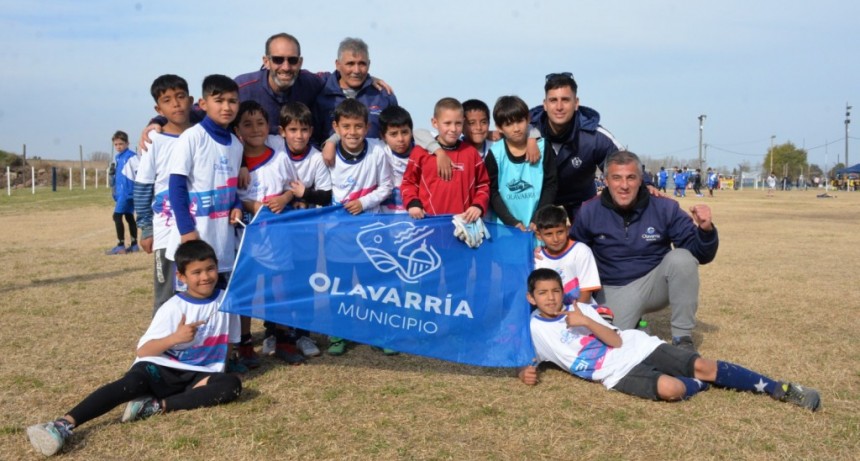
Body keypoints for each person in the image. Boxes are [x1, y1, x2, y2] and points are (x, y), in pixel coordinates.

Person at [26, 240, 244, 457]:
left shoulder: (227, 301)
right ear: (181, 277)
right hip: (161, 369)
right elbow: (143, 351)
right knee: (129, 384)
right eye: (196, 272)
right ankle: (63, 425)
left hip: (199, 375)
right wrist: (175, 338)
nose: (205, 277)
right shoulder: (173, 307)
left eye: (210, 269)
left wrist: (221, 369)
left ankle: (154, 406)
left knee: (231, 385)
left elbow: (230, 341)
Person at [518, 268, 821, 411]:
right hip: (614, 373)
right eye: (543, 293)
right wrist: (526, 372)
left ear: (562, 291)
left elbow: (617, 341)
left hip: (638, 346)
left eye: (555, 290)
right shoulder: (533, 329)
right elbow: (528, 358)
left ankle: (779, 388)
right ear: (532, 297)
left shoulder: (580, 308)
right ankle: (701, 384)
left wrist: (585, 320)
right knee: (672, 389)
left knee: (703, 365)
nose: (551, 298)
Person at [571, 151, 718, 351]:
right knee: (610, 343)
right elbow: (574, 255)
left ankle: (682, 339)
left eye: (631, 177)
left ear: (641, 179)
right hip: (613, 288)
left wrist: (706, 230)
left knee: (681, 258)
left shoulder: (665, 207)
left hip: (654, 284)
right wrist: (544, 251)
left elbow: (700, 255)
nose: (624, 185)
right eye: (616, 178)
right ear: (605, 180)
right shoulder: (589, 211)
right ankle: (635, 324)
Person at [165, 75, 245, 371]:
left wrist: (236, 206)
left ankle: (224, 355)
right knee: (192, 301)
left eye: (232, 101)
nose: (226, 107)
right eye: (219, 100)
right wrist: (187, 231)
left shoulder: (236, 144)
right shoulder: (192, 137)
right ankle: (186, 358)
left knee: (222, 301)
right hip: (195, 238)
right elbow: (176, 187)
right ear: (203, 104)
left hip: (223, 241)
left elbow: (233, 189)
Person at [232, 100, 308, 366]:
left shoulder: (279, 158)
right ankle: (244, 344)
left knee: (280, 288)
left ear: (269, 127)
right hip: (246, 239)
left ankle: (284, 338)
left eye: (260, 123)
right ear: (238, 129)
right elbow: (230, 196)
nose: (255, 129)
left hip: (279, 238)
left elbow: (293, 187)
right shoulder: (233, 161)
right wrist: (252, 205)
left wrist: (286, 198)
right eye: (247, 124)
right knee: (247, 290)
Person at [325, 98, 394, 356]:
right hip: (338, 235)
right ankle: (338, 334)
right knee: (339, 286)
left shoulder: (377, 150)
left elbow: (386, 187)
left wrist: (363, 203)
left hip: (371, 232)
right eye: (346, 126)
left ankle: (378, 332)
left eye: (358, 126)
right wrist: (329, 143)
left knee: (374, 285)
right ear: (336, 127)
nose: (352, 132)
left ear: (367, 128)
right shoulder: (329, 155)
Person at [528, 73, 627, 221]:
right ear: (545, 104)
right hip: (538, 199)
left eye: (565, 100)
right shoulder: (525, 131)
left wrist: (647, 184)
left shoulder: (594, 136)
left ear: (576, 103)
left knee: (595, 235)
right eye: (553, 100)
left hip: (580, 197)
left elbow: (625, 163)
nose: (559, 107)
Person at [134, 74, 194, 314]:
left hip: (195, 227)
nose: (176, 104)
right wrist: (146, 228)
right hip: (164, 230)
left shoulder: (201, 135)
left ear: (190, 100)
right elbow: (143, 186)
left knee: (196, 286)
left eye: (180, 97)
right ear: (158, 108)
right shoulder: (154, 140)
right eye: (168, 100)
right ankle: (162, 343)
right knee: (166, 290)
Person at [401, 97, 490, 222]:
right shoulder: (421, 152)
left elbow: (483, 185)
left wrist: (478, 205)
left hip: (463, 226)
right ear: (435, 123)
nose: (453, 129)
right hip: (428, 224)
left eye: (458, 123)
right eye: (447, 123)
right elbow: (409, 183)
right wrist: (413, 203)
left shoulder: (471, 153)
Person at [485, 95, 557, 231]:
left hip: (539, 226)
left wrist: (538, 217)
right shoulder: (495, 153)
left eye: (520, 121)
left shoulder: (542, 147)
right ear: (499, 127)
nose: (516, 128)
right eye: (508, 124)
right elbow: (492, 192)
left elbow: (550, 185)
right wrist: (512, 222)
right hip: (506, 228)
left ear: (528, 119)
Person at [314, 37, 398, 146]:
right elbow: (310, 138)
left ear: (369, 64)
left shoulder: (383, 95)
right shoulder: (321, 94)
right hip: (330, 162)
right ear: (338, 64)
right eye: (350, 64)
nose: (356, 70)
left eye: (362, 64)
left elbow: (399, 134)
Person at [533, 205, 601, 306]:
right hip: (550, 316)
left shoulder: (581, 251)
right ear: (539, 235)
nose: (555, 239)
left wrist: (574, 317)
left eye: (560, 232)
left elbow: (586, 292)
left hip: (581, 313)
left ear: (568, 229)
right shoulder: (536, 259)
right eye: (548, 234)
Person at [378, 105, 415, 214]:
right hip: (387, 221)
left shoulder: (423, 150)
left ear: (411, 132)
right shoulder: (377, 150)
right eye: (393, 134)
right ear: (383, 136)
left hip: (416, 220)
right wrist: (331, 141)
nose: (400, 139)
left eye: (405, 132)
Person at [106, 130, 139, 255]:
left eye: (121, 144)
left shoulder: (131, 156)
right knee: (129, 216)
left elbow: (140, 170)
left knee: (117, 216)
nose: (118, 146)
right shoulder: (118, 158)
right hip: (123, 192)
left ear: (127, 143)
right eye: (116, 144)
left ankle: (120, 245)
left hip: (127, 192)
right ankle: (134, 244)